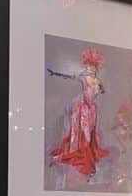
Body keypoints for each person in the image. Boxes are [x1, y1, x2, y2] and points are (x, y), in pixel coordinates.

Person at [47, 46, 110, 178]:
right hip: (82, 110)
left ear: (96, 68)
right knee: (84, 135)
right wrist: (56, 74)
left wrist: (101, 89)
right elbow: (70, 76)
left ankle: (89, 160)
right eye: (87, 67)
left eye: (92, 68)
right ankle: (88, 165)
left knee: (91, 135)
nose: (89, 70)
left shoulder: (97, 81)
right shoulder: (83, 78)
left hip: (91, 110)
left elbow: (101, 90)